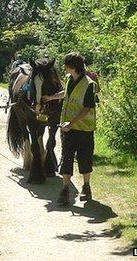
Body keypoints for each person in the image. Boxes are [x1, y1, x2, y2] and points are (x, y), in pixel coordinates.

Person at [42, 52, 97, 206]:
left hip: (83, 129)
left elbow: (87, 108)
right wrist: (51, 97)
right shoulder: (68, 79)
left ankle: (86, 187)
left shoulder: (89, 84)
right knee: (66, 158)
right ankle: (65, 190)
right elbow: (66, 95)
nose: (64, 67)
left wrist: (71, 124)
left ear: (73, 66)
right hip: (68, 129)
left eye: (66, 64)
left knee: (84, 158)